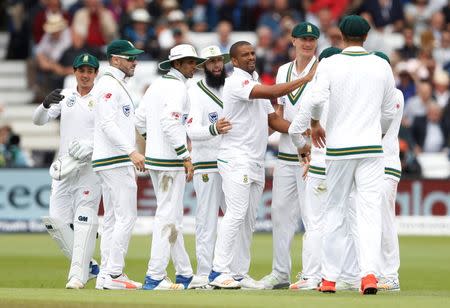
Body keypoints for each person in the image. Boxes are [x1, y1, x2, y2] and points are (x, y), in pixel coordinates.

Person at [208, 40, 317, 289]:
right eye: (244, 55)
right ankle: (218, 270)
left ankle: (238, 273)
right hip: (236, 157)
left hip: (255, 160)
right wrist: (305, 79)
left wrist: (303, 133)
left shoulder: (254, 80)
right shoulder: (236, 81)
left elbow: (274, 122)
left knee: (248, 220)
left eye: (253, 53)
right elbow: (271, 93)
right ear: (233, 61)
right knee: (235, 214)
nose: (250, 57)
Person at [306, 15, 397, 294]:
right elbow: (388, 110)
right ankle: (369, 275)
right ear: (366, 37)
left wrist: (314, 124)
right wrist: (377, 133)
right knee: (369, 213)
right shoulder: (381, 64)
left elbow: (317, 99)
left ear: (341, 36)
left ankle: (330, 278)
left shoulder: (331, 63)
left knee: (334, 211)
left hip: (339, 148)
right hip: (371, 148)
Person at [135, 44, 206, 290]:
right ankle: (154, 276)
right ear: (176, 64)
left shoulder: (157, 85)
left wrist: (152, 143)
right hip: (169, 162)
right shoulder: (177, 88)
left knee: (173, 216)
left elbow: (140, 119)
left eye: (194, 62)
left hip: (157, 159)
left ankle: (184, 273)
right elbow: (170, 122)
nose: (193, 67)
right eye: (188, 62)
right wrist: (185, 155)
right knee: (167, 216)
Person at [259, 21, 320, 290]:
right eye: (303, 38)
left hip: (313, 156)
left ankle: (312, 273)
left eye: (312, 39)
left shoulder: (324, 69)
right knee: (280, 214)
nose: (308, 43)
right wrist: (297, 133)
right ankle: (280, 273)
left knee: (312, 215)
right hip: (286, 155)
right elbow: (278, 117)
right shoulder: (283, 70)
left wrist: (306, 137)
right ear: (293, 41)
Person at [32, 53, 102, 289]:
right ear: (74, 72)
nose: (85, 75)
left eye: (90, 71)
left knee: (83, 219)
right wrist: (44, 104)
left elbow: (108, 132)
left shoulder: (102, 97)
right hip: (64, 167)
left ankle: (76, 277)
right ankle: (90, 265)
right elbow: (38, 121)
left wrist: (90, 146)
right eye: (81, 71)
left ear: (96, 73)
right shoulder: (65, 96)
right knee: (56, 223)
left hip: (89, 168)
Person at [285, 46, 343, 291]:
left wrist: (304, 153)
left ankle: (311, 276)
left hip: (319, 164)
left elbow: (293, 130)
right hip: (344, 165)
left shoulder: (315, 94)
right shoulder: (350, 93)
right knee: (343, 222)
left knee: (316, 222)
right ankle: (344, 276)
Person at [91, 40, 145, 290]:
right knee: (127, 216)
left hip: (112, 159)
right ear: (115, 59)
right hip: (115, 159)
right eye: (130, 58)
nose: (135, 62)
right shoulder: (108, 85)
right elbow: (107, 123)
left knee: (112, 217)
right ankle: (114, 273)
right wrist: (131, 151)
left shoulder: (115, 83)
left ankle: (106, 275)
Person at [185, 45, 232, 288]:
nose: (216, 65)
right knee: (207, 220)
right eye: (211, 61)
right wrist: (213, 129)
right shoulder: (195, 91)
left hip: (231, 162)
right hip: (206, 164)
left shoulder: (231, 86)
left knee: (236, 219)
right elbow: (190, 129)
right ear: (203, 65)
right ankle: (204, 273)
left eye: (219, 61)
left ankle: (231, 271)